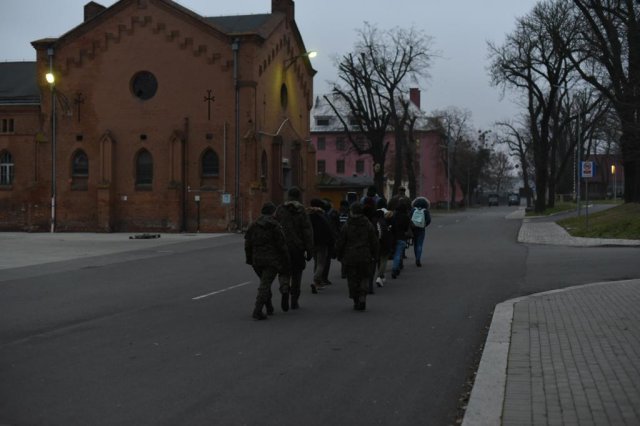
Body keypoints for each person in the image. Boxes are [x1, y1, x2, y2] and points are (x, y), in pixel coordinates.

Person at [244, 202, 291, 320]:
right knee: (265, 285)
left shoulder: (253, 225)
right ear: (273, 212)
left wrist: (249, 258)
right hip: (272, 260)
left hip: (257, 260)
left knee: (265, 283)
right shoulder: (275, 225)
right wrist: (286, 259)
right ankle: (257, 310)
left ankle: (269, 307)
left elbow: (247, 244)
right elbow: (282, 245)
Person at [274, 187, 314, 311]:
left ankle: (284, 288)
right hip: (297, 248)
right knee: (297, 273)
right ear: (298, 197)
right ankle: (294, 300)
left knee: (283, 271)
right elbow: (307, 231)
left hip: (282, 247)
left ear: (288, 196)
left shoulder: (280, 209)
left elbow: (273, 227)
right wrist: (309, 250)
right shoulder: (301, 211)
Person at [335, 202, 379, 311]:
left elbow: (341, 241)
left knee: (352, 279)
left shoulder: (347, 225)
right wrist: (375, 254)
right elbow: (374, 241)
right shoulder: (368, 224)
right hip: (365, 254)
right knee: (364, 277)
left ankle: (355, 299)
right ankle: (362, 296)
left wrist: (338, 254)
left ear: (352, 211)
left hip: (350, 256)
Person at [307, 198, 334, 294]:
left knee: (316, 262)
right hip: (322, 242)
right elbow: (328, 229)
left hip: (312, 242)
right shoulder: (322, 215)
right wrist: (331, 241)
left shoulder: (307, 215)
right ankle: (315, 280)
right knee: (321, 263)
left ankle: (318, 283)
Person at [373, 198, 393, 287]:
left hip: (376, 243)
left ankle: (380, 275)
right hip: (385, 243)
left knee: (378, 260)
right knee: (384, 260)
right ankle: (379, 276)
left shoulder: (374, 221)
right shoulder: (386, 218)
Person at [322, 199, 340, 286]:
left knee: (320, 260)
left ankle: (319, 277)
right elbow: (337, 226)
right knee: (327, 259)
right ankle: (324, 278)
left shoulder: (320, 214)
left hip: (320, 240)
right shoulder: (334, 214)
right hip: (330, 239)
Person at [389, 201, 410, 279]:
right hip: (402, 237)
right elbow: (406, 228)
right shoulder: (406, 217)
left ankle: (397, 267)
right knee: (399, 253)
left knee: (396, 253)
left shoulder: (394, 216)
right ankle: (395, 269)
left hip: (393, 237)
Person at [410, 196, 432, 267]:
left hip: (414, 229)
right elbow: (429, 220)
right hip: (421, 229)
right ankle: (418, 258)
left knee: (415, 244)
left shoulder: (413, 210)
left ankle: (416, 257)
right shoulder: (425, 211)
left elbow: (409, 218)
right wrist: (424, 224)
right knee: (420, 244)